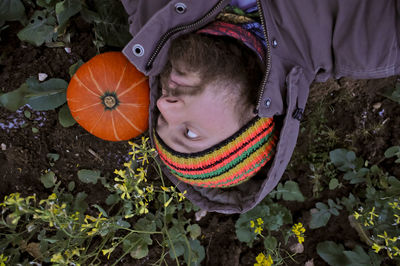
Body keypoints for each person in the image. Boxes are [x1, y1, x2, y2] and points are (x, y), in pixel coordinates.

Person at [121, 0, 400, 214]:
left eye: (162, 120)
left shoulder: (154, 16)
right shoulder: (366, 42)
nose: (163, 105)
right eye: (190, 133)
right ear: (252, 119)